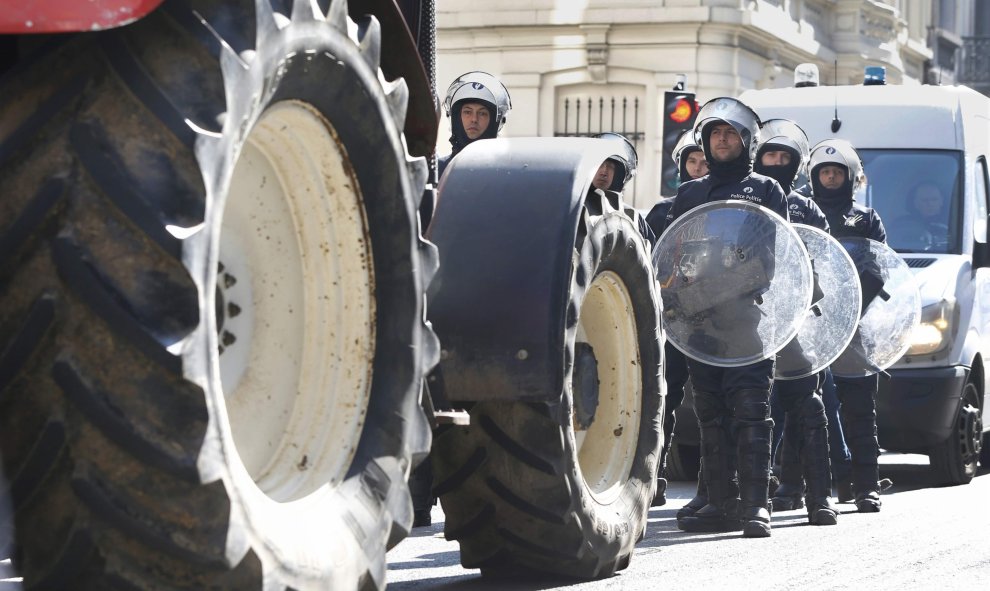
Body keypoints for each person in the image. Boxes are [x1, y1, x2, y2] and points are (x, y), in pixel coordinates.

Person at [665, 97, 789, 538]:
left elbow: (763, 264)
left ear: (746, 141)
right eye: (714, 133)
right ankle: (719, 501)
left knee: (752, 412)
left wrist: (705, 294)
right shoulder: (689, 193)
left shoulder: (767, 189)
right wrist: (679, 301)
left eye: (730, 133)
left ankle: (756, 505)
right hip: (698, 327)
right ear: (703, 139)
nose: (722, 139)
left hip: (744, 321)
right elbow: (673, 261)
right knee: (710, 415)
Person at [754, 119, 839, 525]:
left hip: (794, 321)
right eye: (770, 154)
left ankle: (819, 497)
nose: (776, 162)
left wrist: (808, 299)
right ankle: (749, 496)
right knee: (750, 410)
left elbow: (824, 259)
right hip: (748, 323)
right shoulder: (745, 201)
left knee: (810, 409)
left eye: (784, 157)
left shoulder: (807, 208)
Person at [808, 138, 887, 513]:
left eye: (837, 171)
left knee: (860, 408)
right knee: (807, 407)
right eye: (824, 171)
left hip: (855, 325)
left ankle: (867, 486)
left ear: (850, 177)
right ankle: (804, 485)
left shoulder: (866, 218)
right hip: (810, 325)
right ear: (813, 175)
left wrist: (850, 310)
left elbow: (877, 268)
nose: (830, 177)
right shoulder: (802, 211)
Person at [645, 131, 705, 509]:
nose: (698, 169)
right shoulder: (661, 211)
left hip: (715, 321)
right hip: (672, 320)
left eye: (704, 162)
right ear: (681, 165)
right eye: (692, 162)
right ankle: (653, 477)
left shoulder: (730, 209)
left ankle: (717, 486)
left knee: (718, 403)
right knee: (662, 400)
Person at [438, 71, 512, 180]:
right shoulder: (438, 170)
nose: (474, 119)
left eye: (482, 113)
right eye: (467, 112)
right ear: (457, 117)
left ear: (495, 121)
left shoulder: (508, 172)